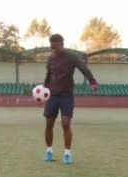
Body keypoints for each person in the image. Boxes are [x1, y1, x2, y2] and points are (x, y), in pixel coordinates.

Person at [42, 34, 98, 165]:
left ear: (62, 43)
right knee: (49, 123)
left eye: (56, 46)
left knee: (66, 124)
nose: (54, 50)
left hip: (67, 95)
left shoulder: (72, 57)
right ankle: (49, 151)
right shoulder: (50, 59)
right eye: (52, 47)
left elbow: (84, 69)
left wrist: (93, 82)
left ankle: (67, 154)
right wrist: (44, 88)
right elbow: (48, 75)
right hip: (53, 95)